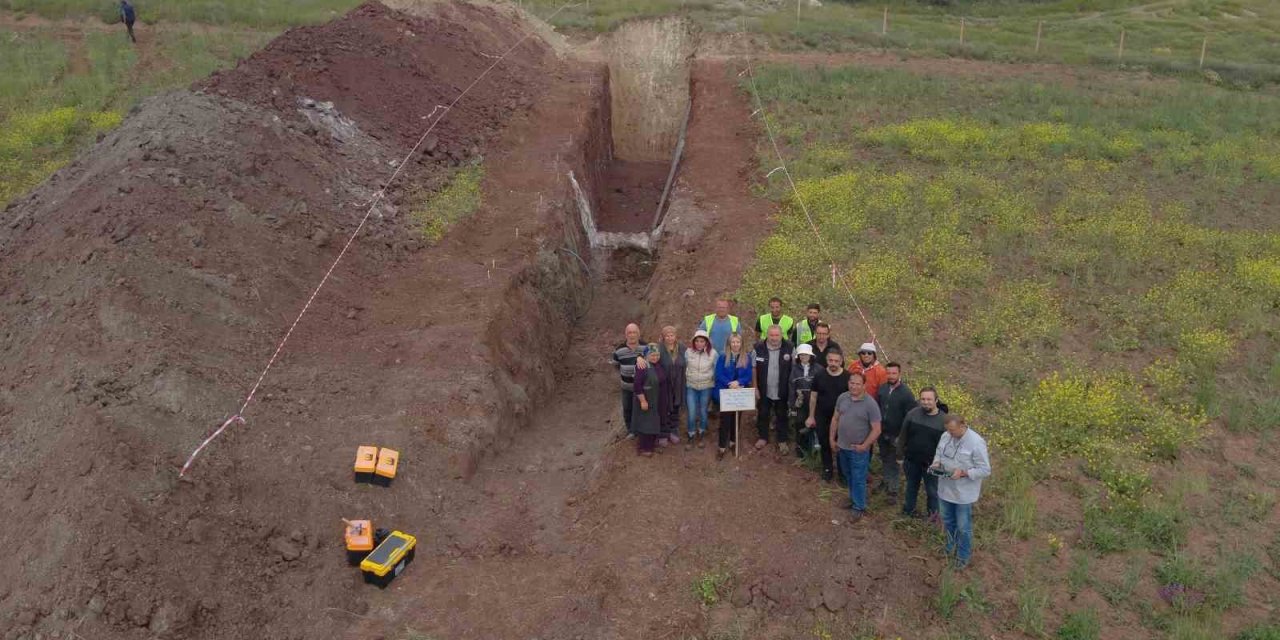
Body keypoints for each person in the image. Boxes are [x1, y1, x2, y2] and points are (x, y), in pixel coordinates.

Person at [931, 414, 992, 569]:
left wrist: (964, 473)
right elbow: (939, 452)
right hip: (945, 489)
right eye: (948, 431)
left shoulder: (976, 442)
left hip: (963, 494)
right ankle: (950, 547)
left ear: (963, 426)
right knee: (948, 521)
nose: (950, 434)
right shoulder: (946, 436)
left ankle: (962, 556)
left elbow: (985, 470)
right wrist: (936, 463)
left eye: (953, 431)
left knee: (963, 527)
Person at [830, 372, 882, 521]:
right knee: (849, 475)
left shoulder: (870, 404)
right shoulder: (843, 398)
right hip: (842, 446)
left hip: (858, 450)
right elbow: (835, 418)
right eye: (852, 383)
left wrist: (865, 446)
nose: (854, 386)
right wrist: (831, 439)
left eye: (858, 383)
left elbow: (877, 429)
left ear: (864, 385)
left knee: (859, 477)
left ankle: (859, 507)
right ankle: (853, 499)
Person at [898, 386, 946, 520]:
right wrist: (900, 455)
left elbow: (947, 447)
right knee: (911, 487)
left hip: (933, 465)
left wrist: (941, 464)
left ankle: (933, 517)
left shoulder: (943, 420)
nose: (925, 402)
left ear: (936, 400)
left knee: (932, 491)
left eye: (929, 399)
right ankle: (908, 511)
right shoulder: (912, 414)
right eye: (923, 399)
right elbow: (903, 436)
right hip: (911, 460)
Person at [875, 362, 917, 502]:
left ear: (899, 374)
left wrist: (903, 437)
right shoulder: (882, 389)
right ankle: (886, 481)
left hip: (897, 435)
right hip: (882, 432)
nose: (891, 376)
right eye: (888, 373)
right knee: (884, 457)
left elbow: (910, 418)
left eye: (894, 373)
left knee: (893, 462)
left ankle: (893, 490)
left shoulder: (906, 394)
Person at [806, 349, 849, 481]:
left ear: (841, 361)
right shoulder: (819, 375)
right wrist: (811, 416)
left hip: (842, 417)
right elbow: (813, 397)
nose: (833, 363)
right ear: (826, 360)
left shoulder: (848, 377)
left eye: (836, 361)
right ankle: (827, 469)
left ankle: (843, 472)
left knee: (842, 444)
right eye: (831, 360)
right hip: (822, 415)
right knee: (824, 442)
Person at [752, 325, 793, 453]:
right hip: (764, 388)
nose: (774, 338)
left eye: (777, 335)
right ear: (767, 335)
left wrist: (792, 390)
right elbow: (753, 368)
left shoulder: (790, 347)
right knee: (763, 413)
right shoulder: (757, 348)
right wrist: (755, 387)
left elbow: (795, 368)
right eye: (772, 335)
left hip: (783, 389)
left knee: (782, 414)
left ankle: (782, 440)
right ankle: (763, 437)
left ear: (781, 335)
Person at [714, 333, 753, 460]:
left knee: (736, 418)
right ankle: (721, 447)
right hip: (726, 392)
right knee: (725, 419)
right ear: (729, 344)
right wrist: (729, 383)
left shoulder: (746, 357)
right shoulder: (723, 357)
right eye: (733, 342)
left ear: (741, 344)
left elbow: (748, 375)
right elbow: (718, 374)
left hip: (740, 393)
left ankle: (732, 442)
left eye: (738, 342)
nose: (736, 344)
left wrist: (739, 382)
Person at [684, 330, 717, 450]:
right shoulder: (688, 352)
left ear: (706, 342)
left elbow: (716, 369)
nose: (699, 343)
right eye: (697, 341)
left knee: (703, 411)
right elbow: (683, 366)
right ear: (694, 342)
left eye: (702, 341)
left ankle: (702, 432)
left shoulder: (713, 354)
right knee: (692, 412)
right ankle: (691, 433)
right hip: (691, 386)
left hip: (706, 387)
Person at [631, 345, 667, 457]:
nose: (655, 357)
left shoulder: (657, 365)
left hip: (655, 398)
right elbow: (637, 385)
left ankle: (651, 444)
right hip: (646, 398)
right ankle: (644, 448)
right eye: (652, 355)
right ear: (647, 355)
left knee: (652, 421)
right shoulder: (643, 365)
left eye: (657, 355)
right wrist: (643, 400)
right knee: (645, 422)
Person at [610, 323, 645, 437]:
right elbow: (616, 365)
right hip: (627, 387)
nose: (632, 335)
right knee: (627, 408)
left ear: (638, 334)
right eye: (629, 333)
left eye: (634, 332)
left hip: (643, 387)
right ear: (626, 335)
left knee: (642, 408)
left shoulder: (646, 347)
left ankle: (642, 430)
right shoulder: (619, 350)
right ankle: (630, 430)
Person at [787, 343, 819, 458]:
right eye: (801, 355)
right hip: (799, 402)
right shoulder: (795, 369)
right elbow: (791, 387)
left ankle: (813, 448)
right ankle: (801, 449)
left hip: (814, 402)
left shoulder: (818, 369)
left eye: (806, 355)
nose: (803, 357)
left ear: (811, 356)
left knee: (813, 424)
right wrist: (792, 405)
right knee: (800, 424)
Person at [658, 326, 686, 448]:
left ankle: (673, 430)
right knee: (664, 409)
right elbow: (647, 355)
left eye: (672, 335)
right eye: (667, 336)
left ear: (676, 336)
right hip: (664, 384)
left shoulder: (682, 348)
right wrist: (639, 358)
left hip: (679, 383)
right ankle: (663, 433)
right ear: (663, 337)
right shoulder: (658, 348)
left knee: (675, 406)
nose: (670, 338)